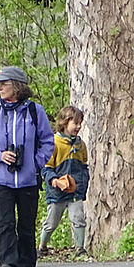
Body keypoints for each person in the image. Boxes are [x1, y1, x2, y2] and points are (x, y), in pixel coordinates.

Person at [0, 66, 54, 267]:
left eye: (4, 83)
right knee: (5, 224)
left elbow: (48, 142)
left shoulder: (35, 112)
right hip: (1, 179)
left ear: (17, 86)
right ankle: (7, 266)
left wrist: (35, 162)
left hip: (28, 179)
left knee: (26, 227)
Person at [38, 105, 90, 257]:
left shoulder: (80, 145)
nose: (78, 126)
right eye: (75, 123)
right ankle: (42, 246)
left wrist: (82, 184)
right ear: (64, 123)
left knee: (78, 218)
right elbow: (46, 167)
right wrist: (54, 180)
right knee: (51, 222)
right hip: (57, 192)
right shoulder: (53, 143)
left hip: (75, 191)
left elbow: (83, 166)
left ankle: (80, 248)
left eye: (80, 123)